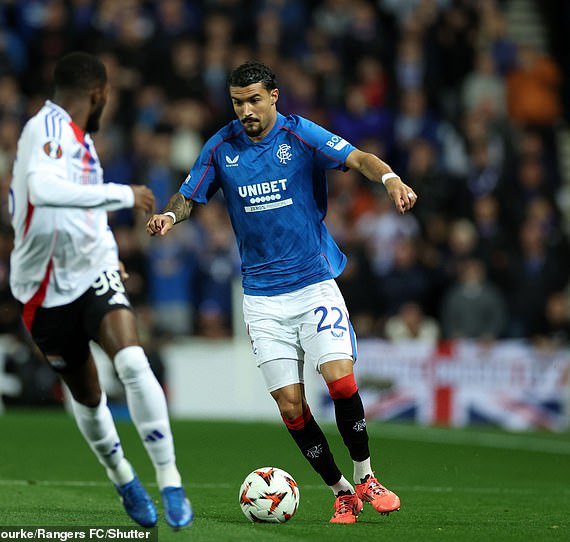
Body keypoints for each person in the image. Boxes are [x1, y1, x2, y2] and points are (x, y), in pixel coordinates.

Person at [147, 61, 416, 524]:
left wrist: (390, 179)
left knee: (341, 379)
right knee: (291, 405)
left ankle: (366, 474)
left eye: (254, 99)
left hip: (313, 284)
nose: (246, 110)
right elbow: (189, 195)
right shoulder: (221, 146)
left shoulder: (300, 134)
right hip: (263, 299)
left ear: (274, 95)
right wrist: (170, 216)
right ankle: (342, 490)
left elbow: (356, 157)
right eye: (237, 102)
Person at [8, 52, 193, 530]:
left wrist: (109, 252)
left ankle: (170, 479)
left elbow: (84, 215)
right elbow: (43, 189)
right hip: (42, 291)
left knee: (132, 360)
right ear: (98, 94)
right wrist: (122, 194)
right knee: (88, 395)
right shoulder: (45, 129)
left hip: (92, 271)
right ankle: (123, 476)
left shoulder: (82, 143)